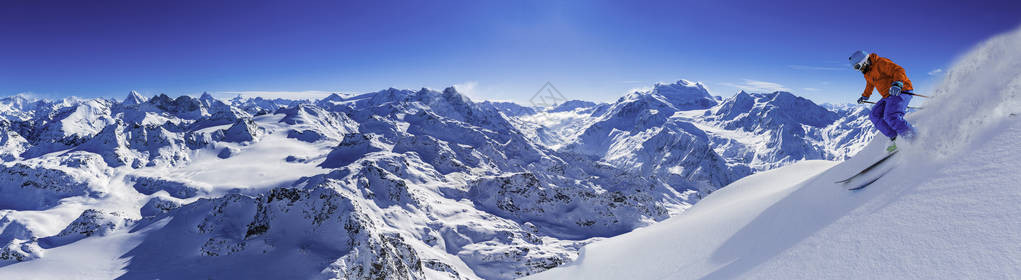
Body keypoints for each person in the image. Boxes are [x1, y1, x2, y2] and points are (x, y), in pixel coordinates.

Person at [849, 50, 916, 152]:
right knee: (874, 115)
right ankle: (895, 138)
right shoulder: (867, 72)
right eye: (856, 68)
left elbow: (898, 70)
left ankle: (914, 139)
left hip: (902, 90)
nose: (858, 70)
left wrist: (897, 83)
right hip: (887, 95)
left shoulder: (881, 63)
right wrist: (865, 96)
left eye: (858, 67)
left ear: (864, 61)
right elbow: (870, 84)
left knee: (891, 116)